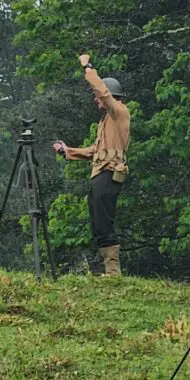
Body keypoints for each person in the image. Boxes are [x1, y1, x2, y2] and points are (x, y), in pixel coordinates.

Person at [53, 53, 130, 275]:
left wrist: (88, 67)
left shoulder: (119, 112)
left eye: (97, 96)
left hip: (108, 175)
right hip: (100, 175)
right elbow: (96, 151)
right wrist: (69, 152)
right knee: (98, 223)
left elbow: (102, 91)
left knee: (104, 224)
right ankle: (109, 270)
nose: (96, 99)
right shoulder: (107, 121)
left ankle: (113, 272)